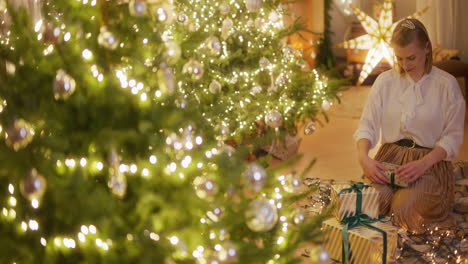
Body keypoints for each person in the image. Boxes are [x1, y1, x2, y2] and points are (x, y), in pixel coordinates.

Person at [354, 18, 466, 233]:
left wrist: (423, 163)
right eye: (399, 58)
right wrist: (364, 159)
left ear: (427, 48)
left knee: (404, 211)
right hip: (389, 159)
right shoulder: (385, 81)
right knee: (365, 206)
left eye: (411, 58)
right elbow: (367, 124)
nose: (405, 65)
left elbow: (452, 137)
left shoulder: (446, 84)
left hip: (429, 163)